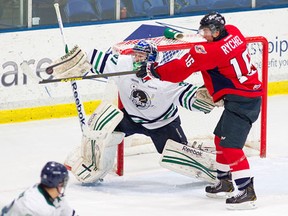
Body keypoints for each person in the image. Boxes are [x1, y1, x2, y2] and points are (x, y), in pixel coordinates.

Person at [50, 39, 219, 184]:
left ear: (151, 58)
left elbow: (187, 95)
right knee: (101, 125)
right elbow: (95, 59)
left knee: (179, 156)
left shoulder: (164, 78)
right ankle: (93, 166)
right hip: (131, 119)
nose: (136, 58)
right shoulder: (122, 65)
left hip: (162, 124)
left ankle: (219, 172)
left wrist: (206, 98)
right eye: (136, 54)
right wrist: (78, 60)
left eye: (141, 55)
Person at [140, 12, 262, 210]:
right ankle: (224, 181)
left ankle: (246, 191)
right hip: (243, 95)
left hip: (243, 101)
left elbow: (180, 70)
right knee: (219, 137)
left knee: (231, 147)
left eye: (206, 31)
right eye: (202, 30)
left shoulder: (211, 52)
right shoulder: (234, 32)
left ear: (216, 31)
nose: (203, 34)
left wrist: (153, 71)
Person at [1, 161, 78, 216]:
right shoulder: (38, 207)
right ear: (58, 183)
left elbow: (67, 212)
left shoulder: (54, 197)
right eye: (63, 181)